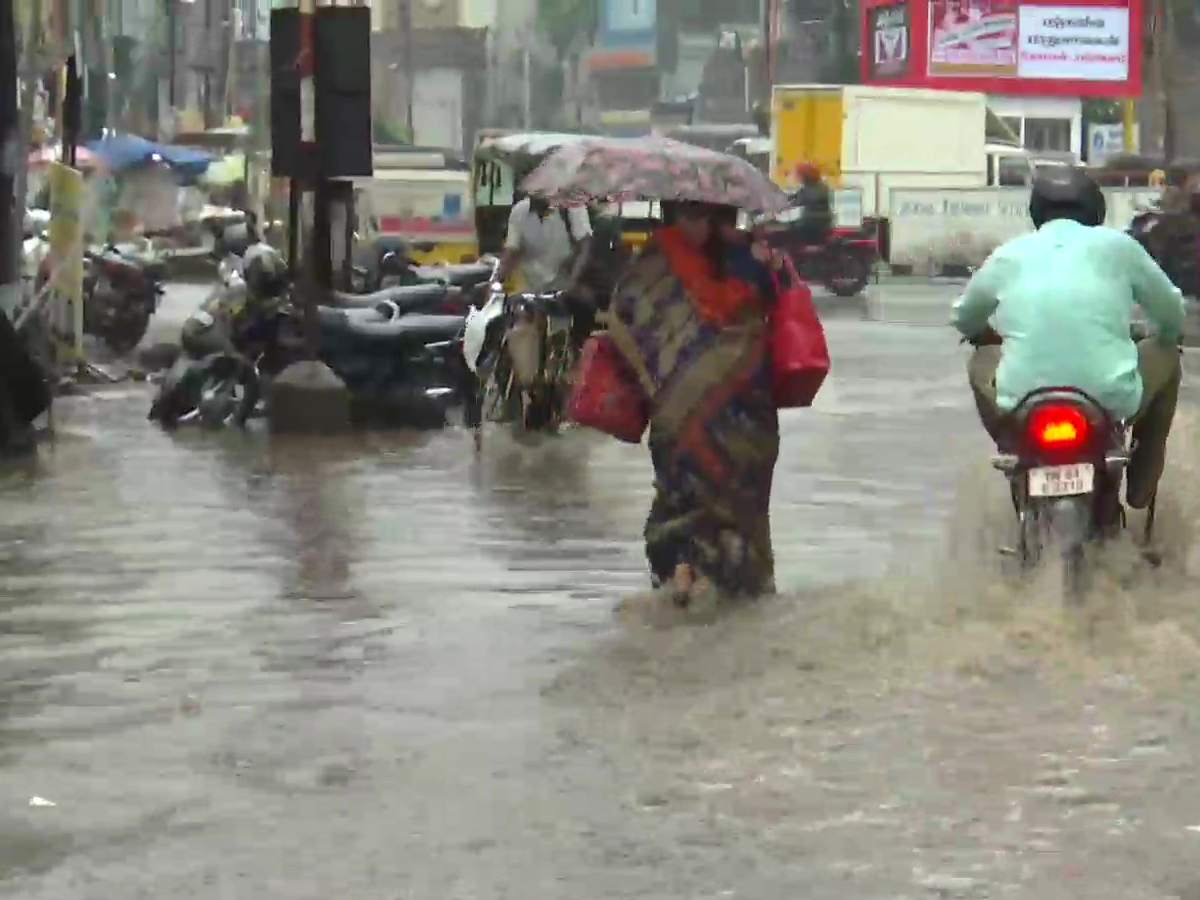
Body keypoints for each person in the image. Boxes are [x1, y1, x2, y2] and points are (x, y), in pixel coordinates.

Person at [953, 167, 1184, 511]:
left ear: (1036, 211)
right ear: (1096, 209)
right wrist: (1164, 335)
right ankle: (1141, 486)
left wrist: (984, 336)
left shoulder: (1009, 254)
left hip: (1024, 400)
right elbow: (1171, 309)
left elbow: (964, 316)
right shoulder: (1120, 247)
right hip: (1108, 397)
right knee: (1168, 356)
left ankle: (1011, 445)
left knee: (980, 360)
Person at [607, 200, 784, 606]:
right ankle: (688, 576)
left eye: (706, 216)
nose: (699, 225)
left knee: (726, 499)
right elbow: (624, 321)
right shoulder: (660, 262)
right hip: (686, 413)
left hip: (737, 414)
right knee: (689, 499)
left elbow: (759, 320)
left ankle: (703, 579)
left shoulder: (741, 257)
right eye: (691, 216)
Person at [497, 194, 593, 293]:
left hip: (564, 288)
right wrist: (496, 281)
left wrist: (574, 282)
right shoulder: (520, 211)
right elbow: (512, 250)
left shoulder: (572, 207)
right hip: (533, 289)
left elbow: (585, 248)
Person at [790, 162, 833, 246]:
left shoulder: (811, 189)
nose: (796, 177)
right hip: (822, 222)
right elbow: (793, 197)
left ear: (804, 176)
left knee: (786, 229)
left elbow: (797, 201)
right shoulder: (820, 186)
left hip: (813, 223)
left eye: (798, 174)